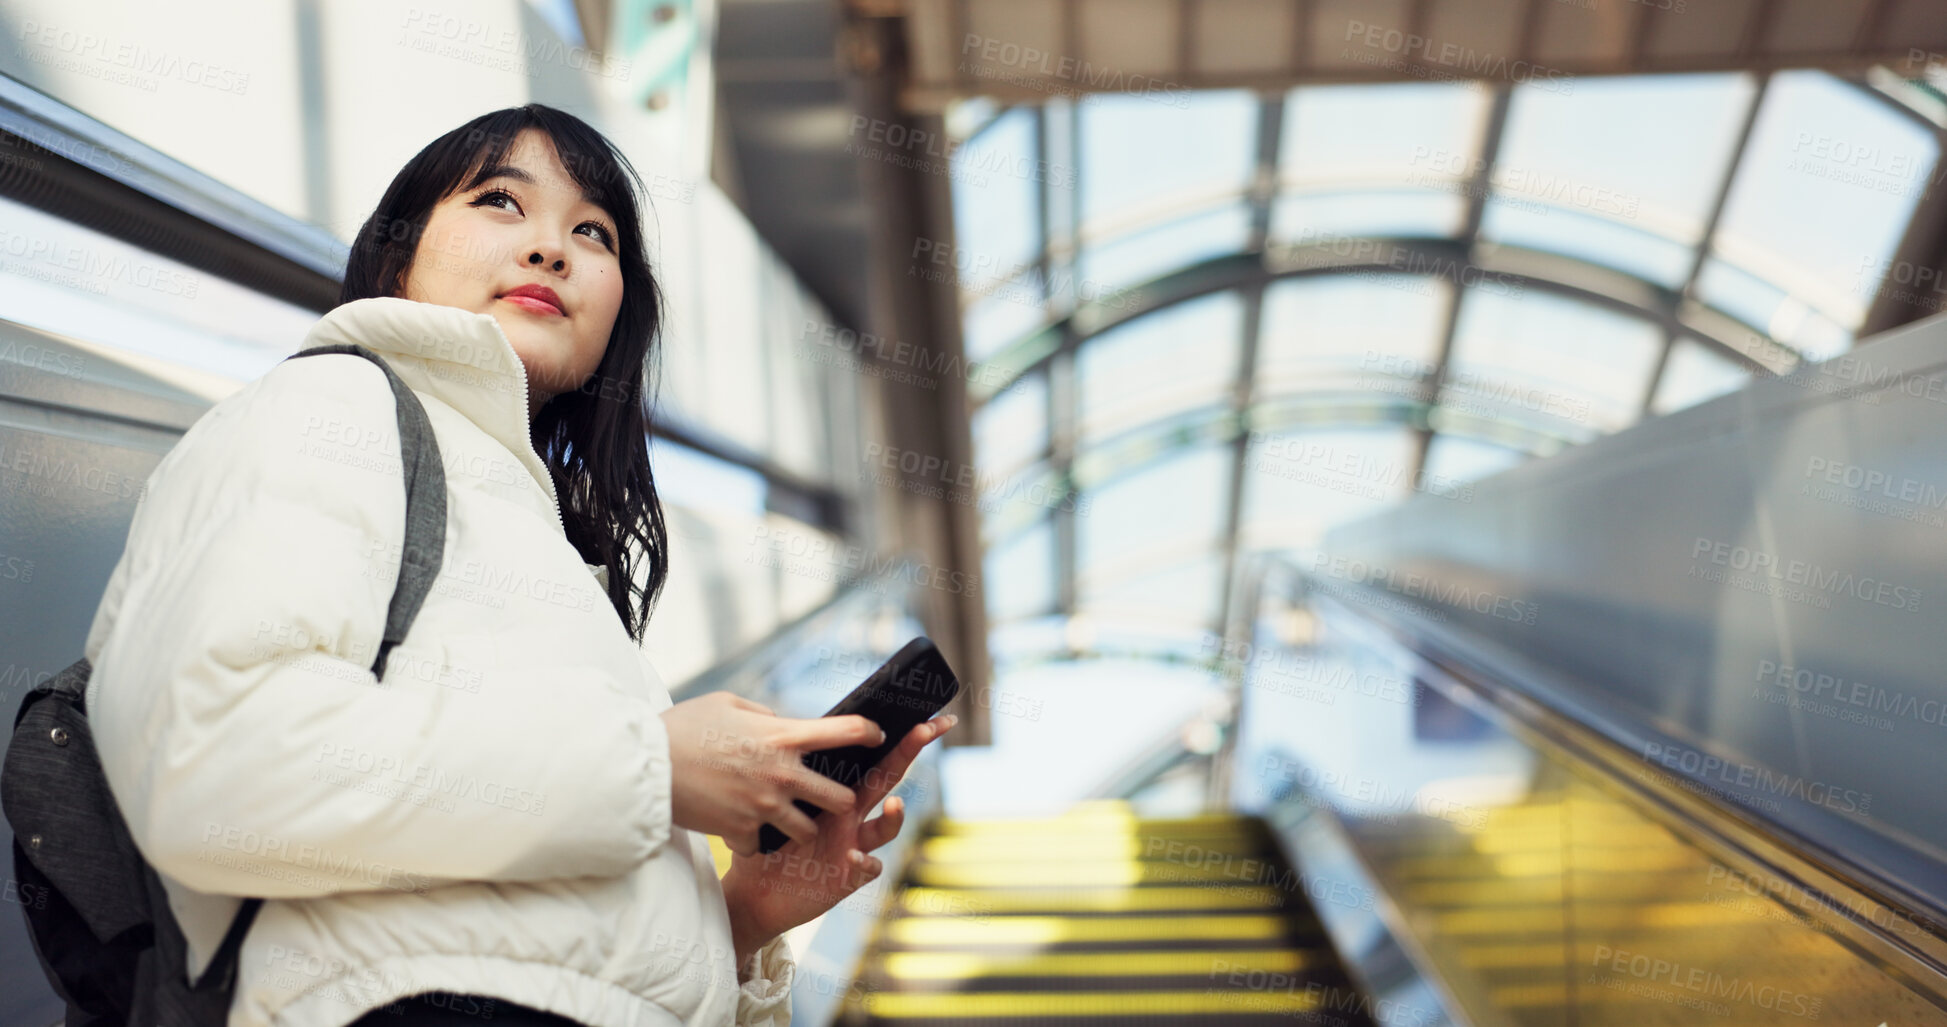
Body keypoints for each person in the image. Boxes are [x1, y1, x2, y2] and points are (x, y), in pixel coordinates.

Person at [81, 103, 955, 1027]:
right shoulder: (332, 405)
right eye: (500, 201)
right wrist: (650, 766)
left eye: (593, 232)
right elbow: (212, 767)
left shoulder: (544, 547)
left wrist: (737, 919)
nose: (551, 249)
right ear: (394, 257)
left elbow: (547, 942)